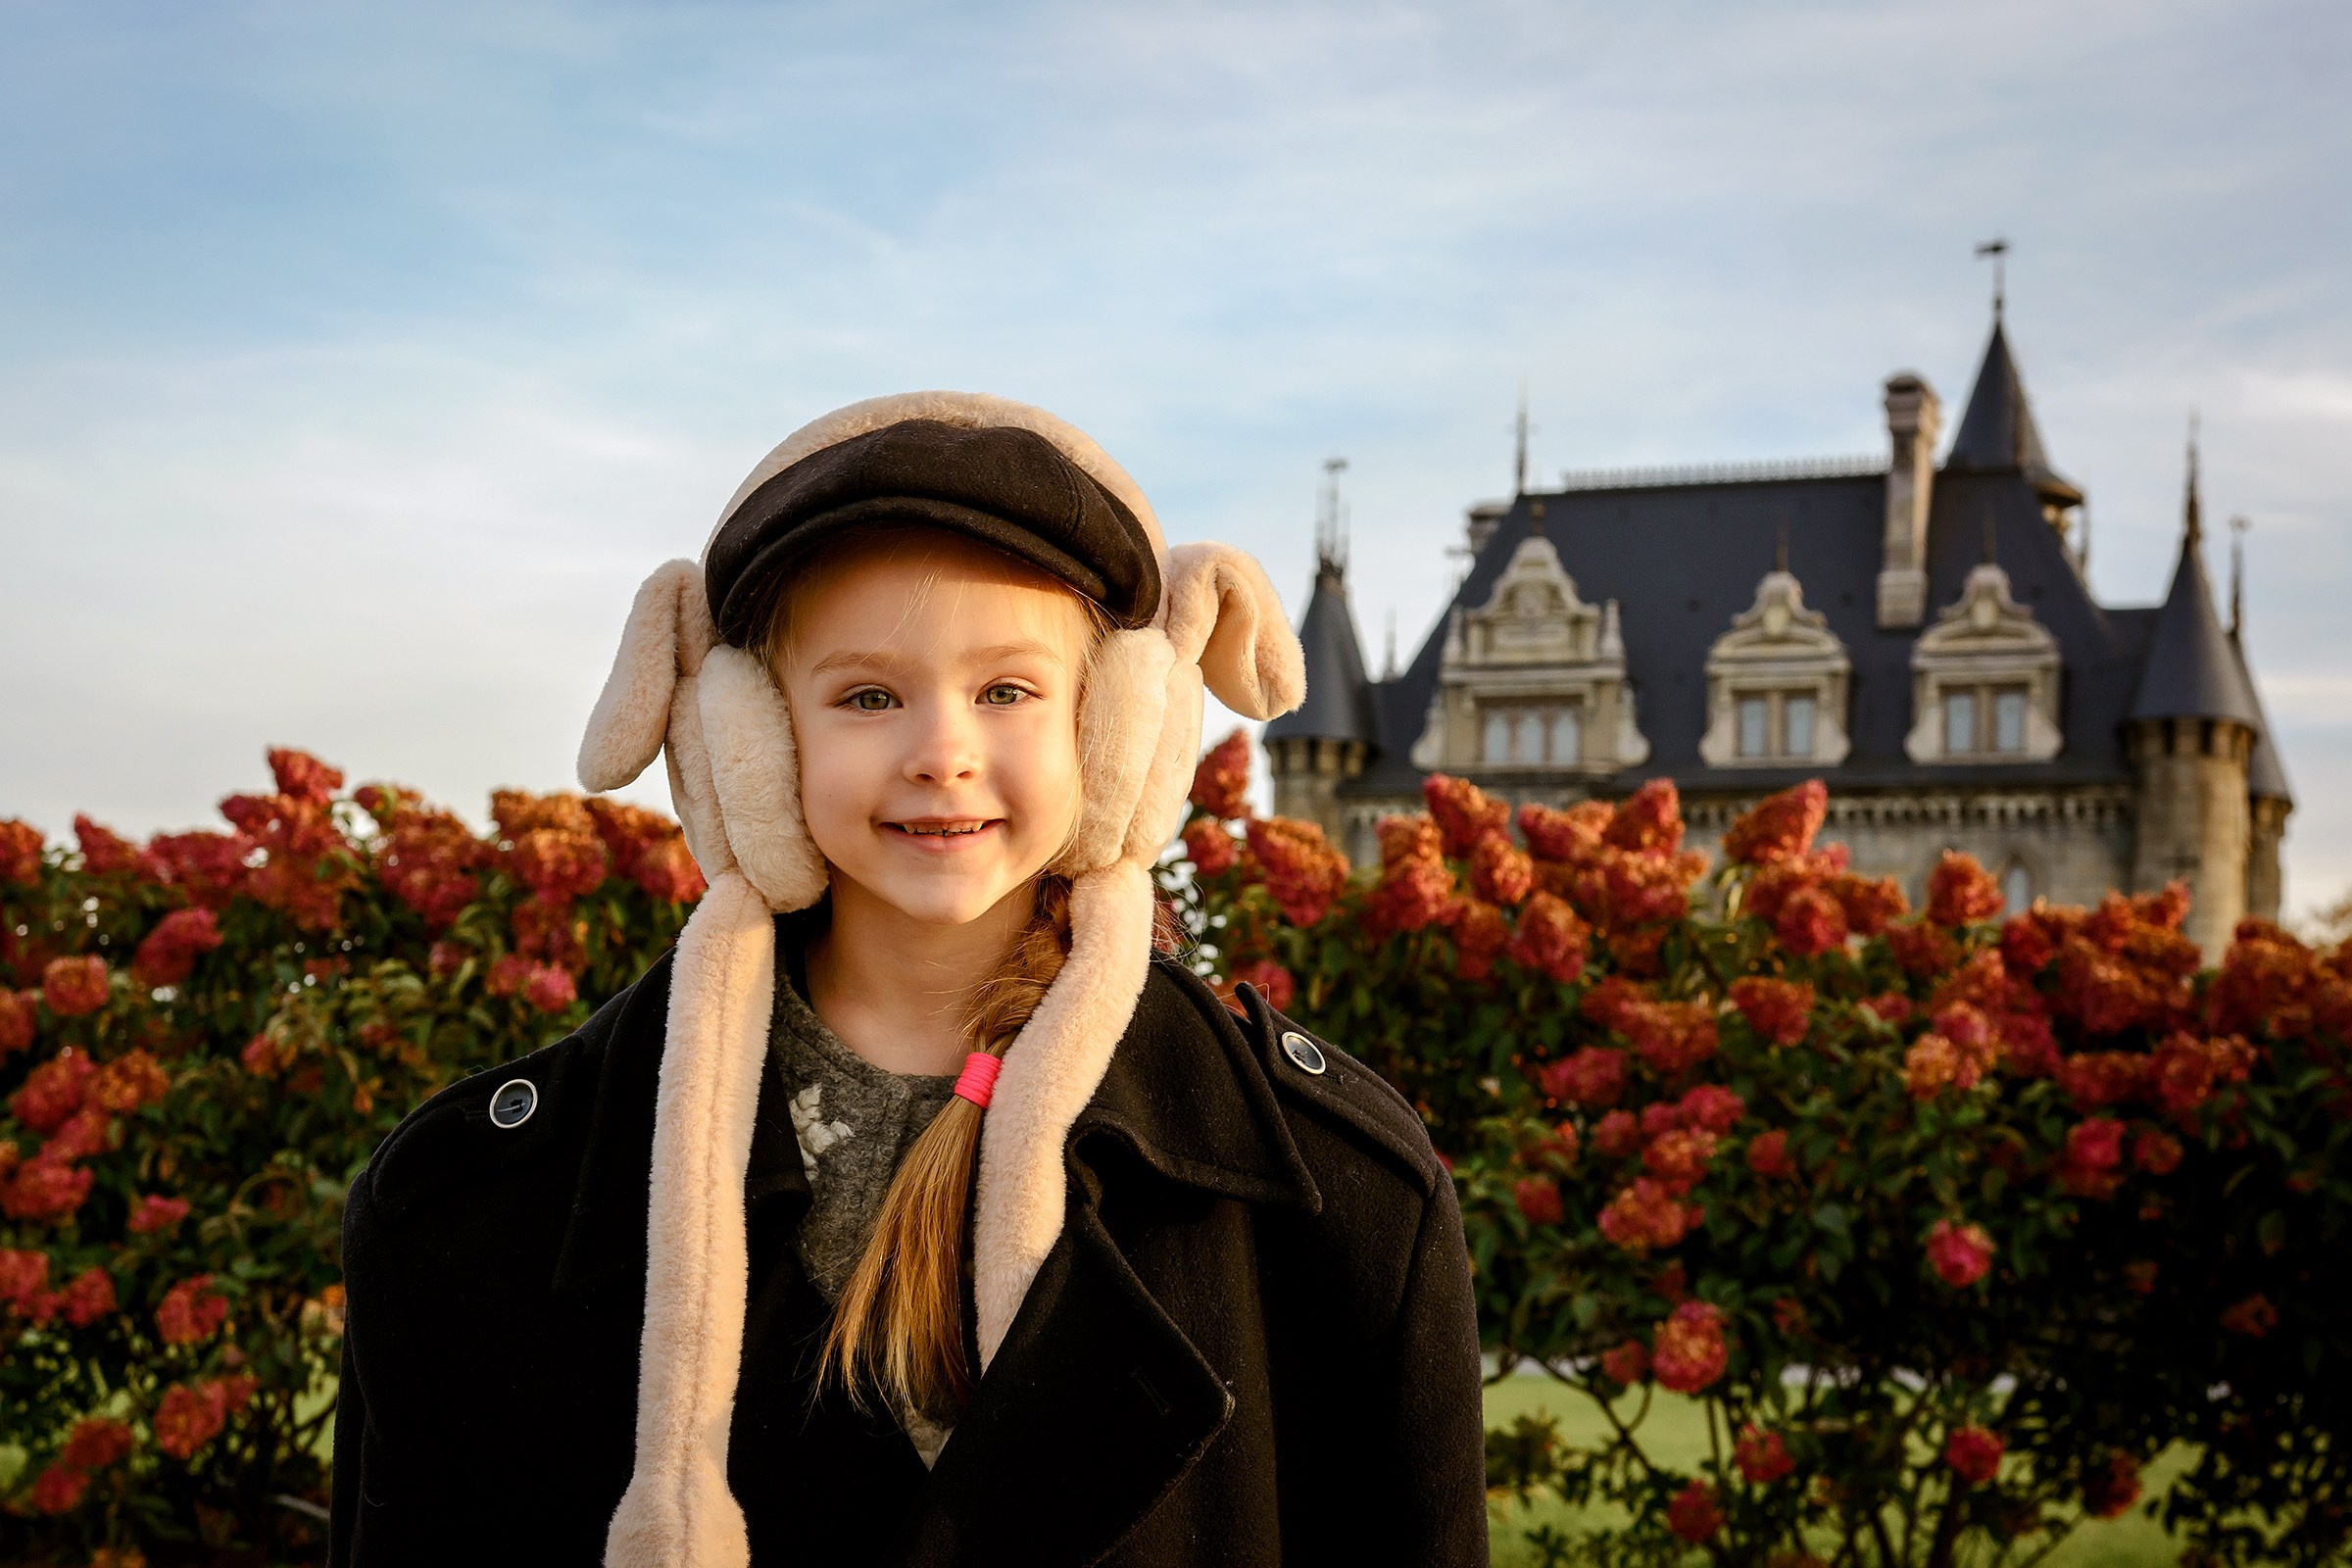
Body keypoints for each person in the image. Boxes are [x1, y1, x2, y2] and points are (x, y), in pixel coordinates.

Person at [328, 394, 1487, 1567]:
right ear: (751, 742)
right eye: (869, 695)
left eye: (1008, 690)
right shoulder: (465, 1217)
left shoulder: (1346, 1205)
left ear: (1117, 728)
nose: (942, 748)